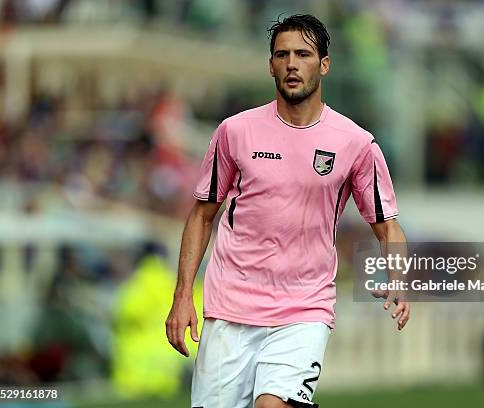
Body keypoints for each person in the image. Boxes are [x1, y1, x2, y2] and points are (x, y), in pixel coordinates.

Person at [165, 14, 409, 408]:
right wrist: (182, 296)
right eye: (282, 55)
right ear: (271, 65)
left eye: (303, 54)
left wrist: (398, 278)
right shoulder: (234, 132)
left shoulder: (356, 144)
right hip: (231, 307)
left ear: (324, 64)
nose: (292, 63)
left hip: (304, 308)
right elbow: (201, 215)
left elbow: (387, 227)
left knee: (271, 405)